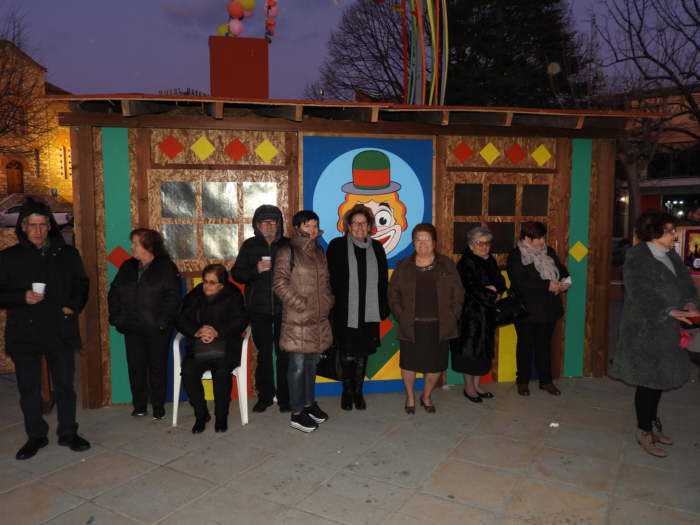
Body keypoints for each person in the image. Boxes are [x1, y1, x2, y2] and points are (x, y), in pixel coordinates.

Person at [0, 198, 90, 460]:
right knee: (28, 389)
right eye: (32, 225)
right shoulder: (8, 257)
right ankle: (36, 436)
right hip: (24, 331)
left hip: (59, 328)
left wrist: (73, 306)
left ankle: (68, 432)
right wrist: (21, 297)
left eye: (42, 225)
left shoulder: (67, 254)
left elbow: (81, 284)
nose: (38, 231)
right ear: (23, 227)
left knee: (64, 385)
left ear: (50, 226)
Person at [609, 211, 699, 457]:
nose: (674, 236)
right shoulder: (637, 257)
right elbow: (640, 294)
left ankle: (651, 423)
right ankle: (644, 430)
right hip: (644, 332)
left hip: (668, 330)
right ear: (654, 232)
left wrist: (690, 303)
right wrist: (669, 310)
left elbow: (686, 285)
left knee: (659, 381)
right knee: (648, 383)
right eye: (669, 231)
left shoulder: (670, 255)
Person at [388, 223, 464, 414]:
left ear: (434, 242)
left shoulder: (447, 264)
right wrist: (401, 315)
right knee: (409, 364)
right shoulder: (403, 266)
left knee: (436, 365)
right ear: (413, 243)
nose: (423, 243)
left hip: (440, 326)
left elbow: (458, 294)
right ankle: (410, 397)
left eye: (427, 239)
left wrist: (453, 315)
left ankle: (427, 395)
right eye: (418, 239)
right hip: (411, 325)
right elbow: (392, 294)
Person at [108, 229, 181, 420]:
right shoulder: (127, 266)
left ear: (148, 247)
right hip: (131, 326)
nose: (131, 247)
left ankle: (158, 407)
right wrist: (116, 318)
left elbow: (173, 297)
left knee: (157, 368)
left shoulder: (166, 267)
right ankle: (139, 406)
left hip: (157, 329)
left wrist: (162, 322)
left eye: (135, 243)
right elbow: (114, 292)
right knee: (135, 367)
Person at [273, 210, 333, 432]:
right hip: (297, 320)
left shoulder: (319, 250)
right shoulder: (287, 251)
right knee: (297, 367)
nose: (312, 230)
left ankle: (308, 404)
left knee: (311, 365)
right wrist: (300, 304)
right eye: (307, 225)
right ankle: (297, 413)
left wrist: (328, 300)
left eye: (315, 225)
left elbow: (325, 282)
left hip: (317, 319)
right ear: (297, 227)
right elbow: (279, 283)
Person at [327, 204, 389, 410]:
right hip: (344, 311)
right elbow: (329, 280)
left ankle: (358, 392)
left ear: (370, 226)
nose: (360, 227)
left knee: (362, 353)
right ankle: (347, 392)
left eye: (364, 223)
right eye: (355, 223)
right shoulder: (337, 246)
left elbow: (382, 281)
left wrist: (383, 307)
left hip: (369, 311)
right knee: (346, 352)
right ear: (348, 226)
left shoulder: (377, 248)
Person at [232, 205, 291, 413]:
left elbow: (300, 273)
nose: (268, 225)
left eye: (272, 221)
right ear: (257, 225)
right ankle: (264, 397)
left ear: (279, 224)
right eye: (264, 222)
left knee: (285, 355)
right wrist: (255, 269)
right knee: (264, 354)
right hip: (258, 308)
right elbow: (237, 274)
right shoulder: (249, 246)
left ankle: (285, 398)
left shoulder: (287, 245)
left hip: (285, 308)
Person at [176, 264, 248, 434]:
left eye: (212, 282)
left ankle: (221, 416)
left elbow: (240, 321)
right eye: (205, 281)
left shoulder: (233, 296)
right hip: (199, 347)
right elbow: (180, 319)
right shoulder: (194, 295)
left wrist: (217, 332)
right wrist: (198, 331)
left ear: (221, 285)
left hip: (226, 347)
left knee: (221, 372)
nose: (206, 286)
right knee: (188, 371)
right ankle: (201, 414)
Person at [506, 221, 570, 397]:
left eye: (543, 237)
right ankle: (522, 381)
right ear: (527, 238)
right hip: (526, 310)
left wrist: (565, 282)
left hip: (548, 309)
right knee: (525, 346)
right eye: (538, 238)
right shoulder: (516, 255)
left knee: (544, 346)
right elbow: (520, 282)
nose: (542, 241)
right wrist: (546, 285)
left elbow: (562, 271)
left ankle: (546, 381)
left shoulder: (549, 252)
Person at [452, 226, 506, 403]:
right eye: (480, 243)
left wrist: (498, 290)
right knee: (469, 353)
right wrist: (490, 293)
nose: (485, 247)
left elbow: (500, 280)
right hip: (470, 316)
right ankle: (469, 387)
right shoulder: (465, 263)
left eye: (487, 243)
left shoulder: (490, 260)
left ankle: (477, 385)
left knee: (482, 353)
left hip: (487, 315)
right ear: (471, 245)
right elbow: (469, 288)